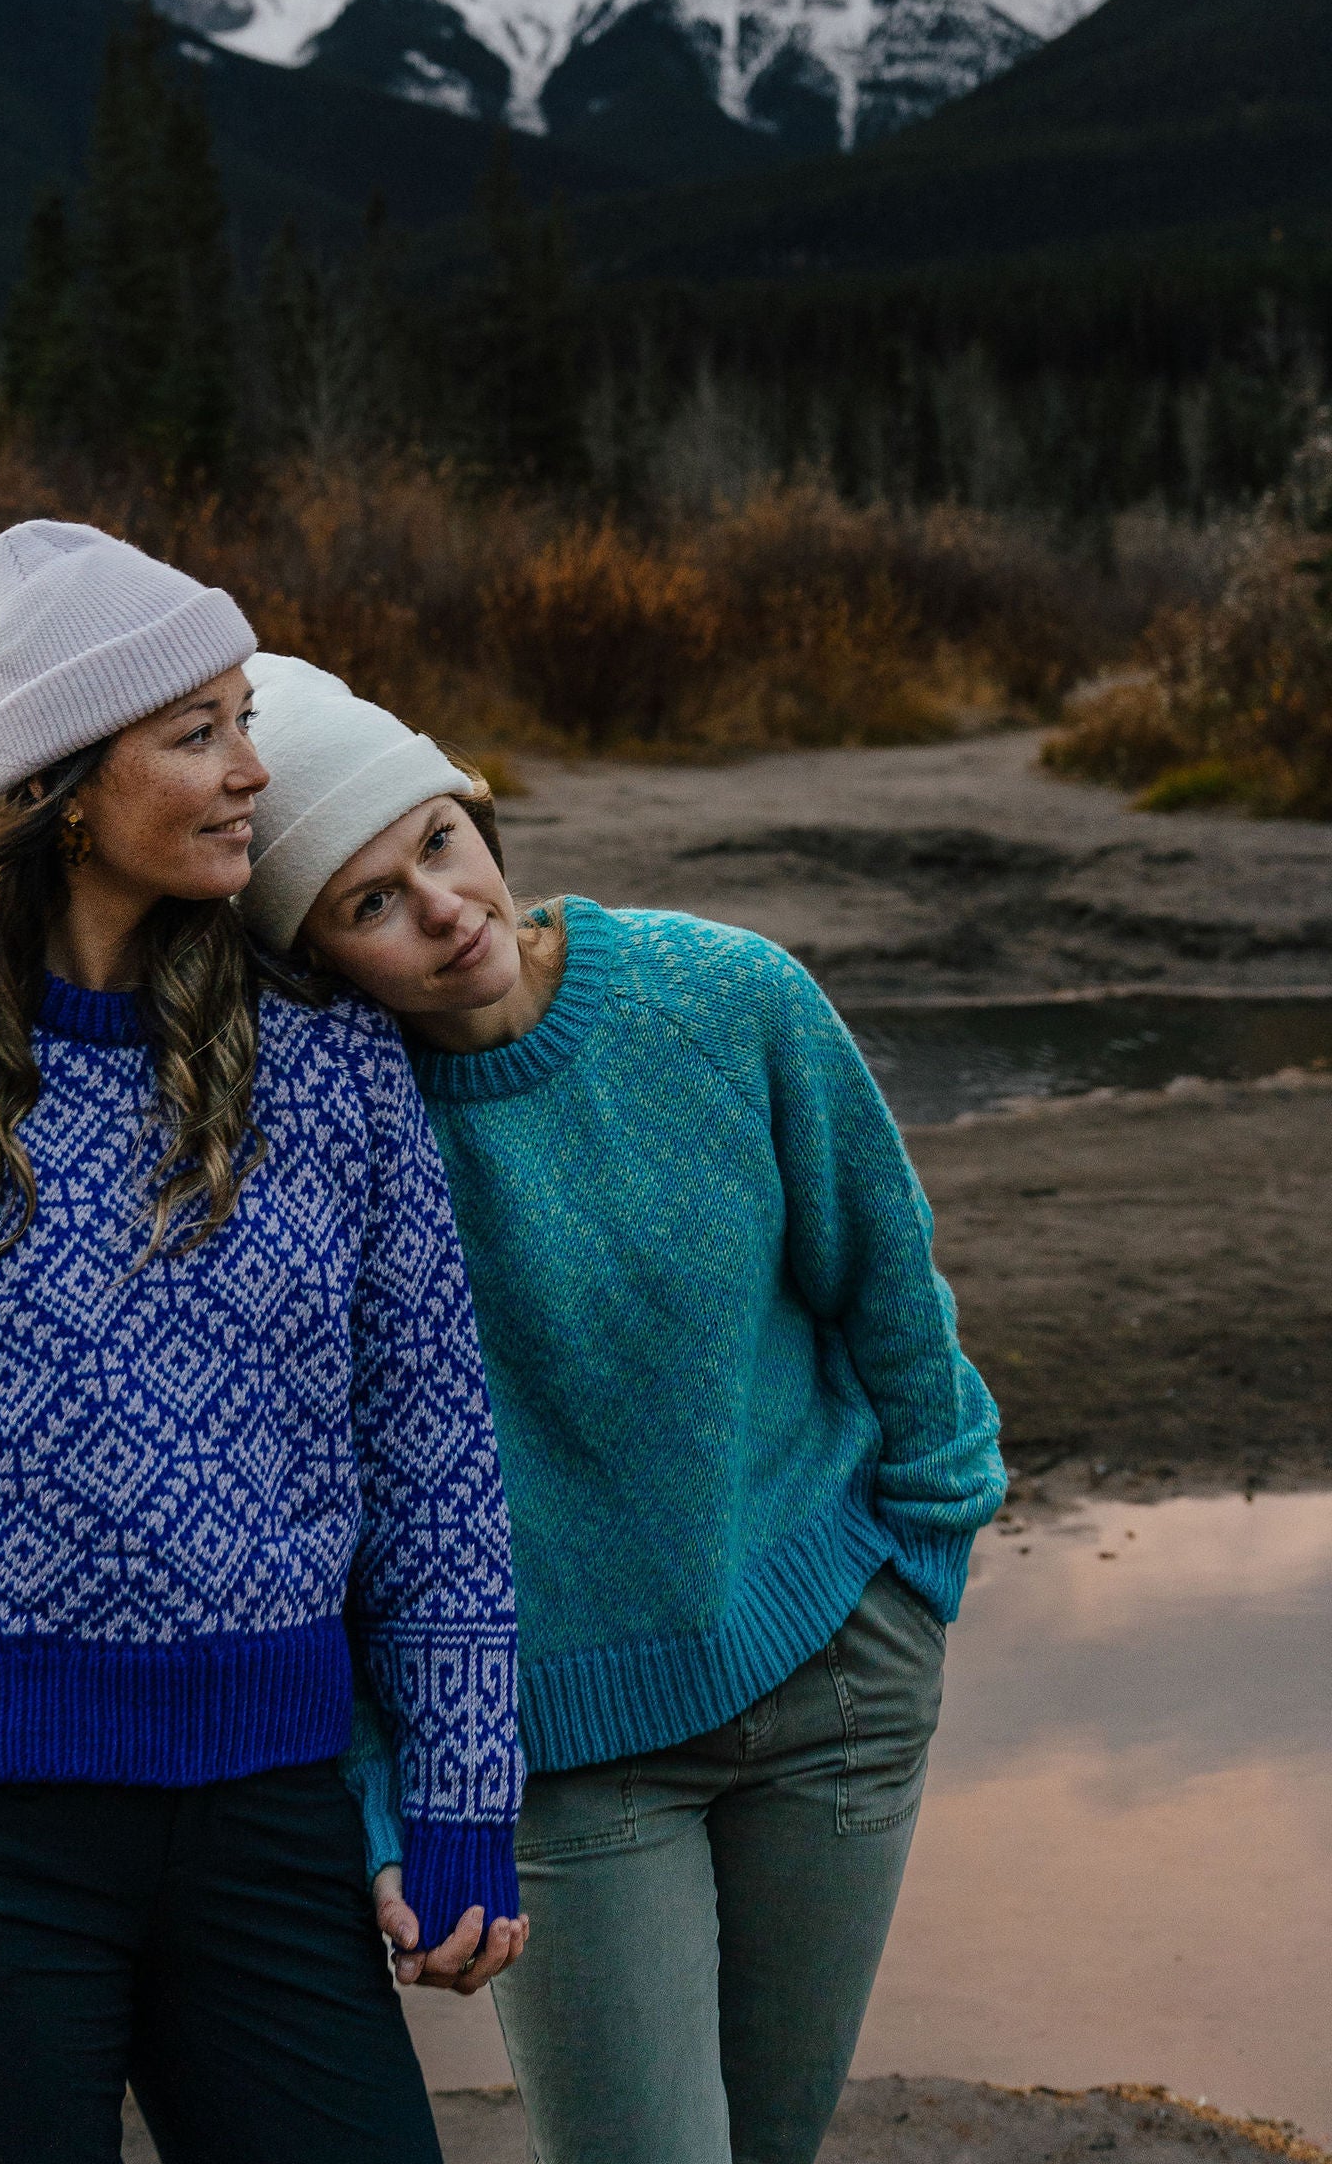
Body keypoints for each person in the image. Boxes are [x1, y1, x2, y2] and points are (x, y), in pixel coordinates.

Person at [0, 528, 526, 2164]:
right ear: (74, 786)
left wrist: (463, 1789)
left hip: (272, 1821)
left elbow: (434, 1453)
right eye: (200, 732)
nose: (252, 770)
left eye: (244, 719)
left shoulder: (334, 1070)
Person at [240, 653, 1005, 2164]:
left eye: (437, 843)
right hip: (557, 1762)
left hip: (835, 1684)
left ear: (477, 818)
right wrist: (390, 1798)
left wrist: (932, 1557)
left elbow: (892, 1298)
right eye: (370, 902)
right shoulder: (324, 1149)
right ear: (315, 959)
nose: (444, 907)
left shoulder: (730, 1000)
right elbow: (325, 1524)